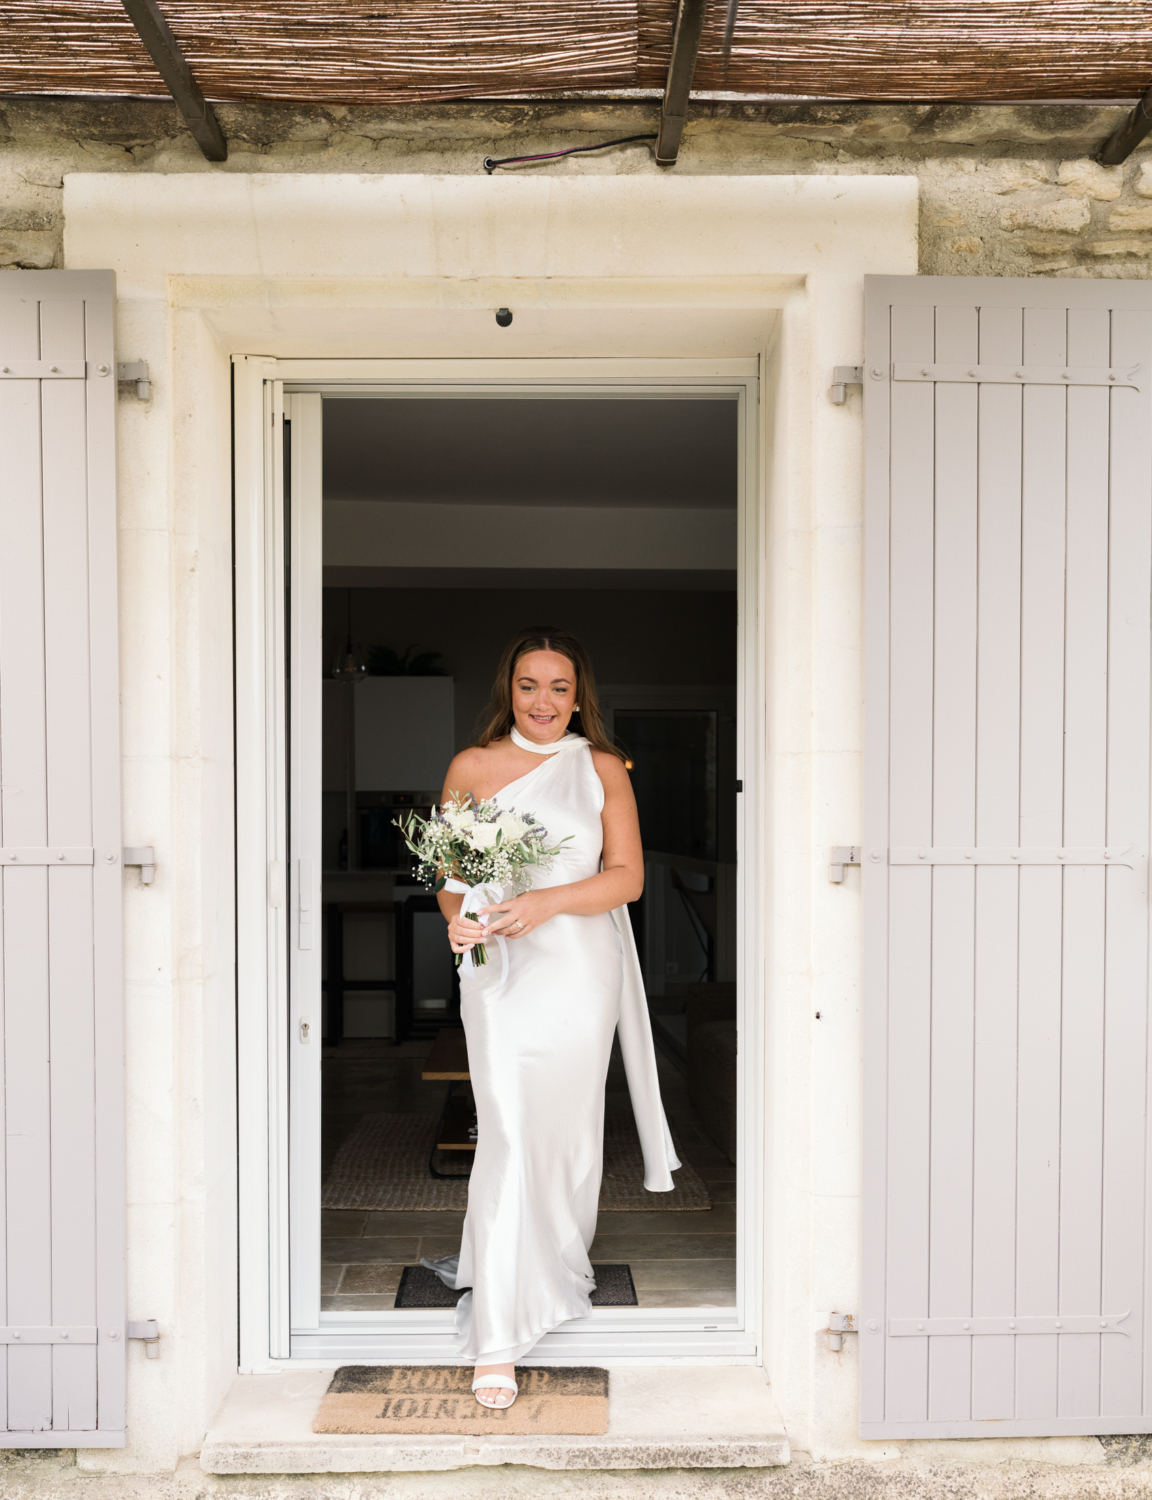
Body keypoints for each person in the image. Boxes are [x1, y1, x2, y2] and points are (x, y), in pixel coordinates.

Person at [425, 626, 680, 1409]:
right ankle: (498, 1331)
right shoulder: (471, 766)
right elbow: (451, 876)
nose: (543, 701)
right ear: (508, 689)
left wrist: (543, 902)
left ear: (579, 695)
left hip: (578, 966)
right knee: (507, 1129)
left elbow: (628, 879)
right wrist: (456, 919)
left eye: (559, 687)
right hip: (499, 971)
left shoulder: (603, 767)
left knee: (565, 1132)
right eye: (529, 685)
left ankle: (556, 1262)